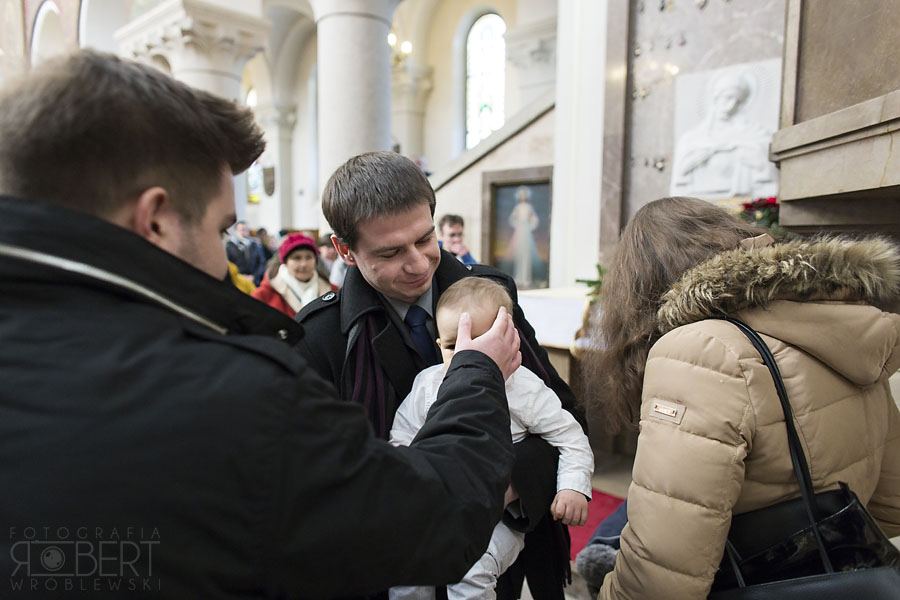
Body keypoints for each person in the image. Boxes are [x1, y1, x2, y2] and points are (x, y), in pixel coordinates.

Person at [0, 49, 525, 598]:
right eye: (222, 229)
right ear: (155, 218)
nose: (223, 258)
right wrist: (475, 373)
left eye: (425, 239)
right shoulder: (233, 392)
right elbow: (430, 522)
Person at [296, 151, 585, 600]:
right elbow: (316, 485)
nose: (417, 264)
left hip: (497, 547)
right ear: (345, 251)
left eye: (425, 238)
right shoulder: (321, 338)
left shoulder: (491, 295)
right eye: (390, 252)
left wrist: (498, 486)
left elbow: (564, 417)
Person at [586, 197, 900, 599]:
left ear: (642, 288)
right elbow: (890, 506)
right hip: (839, 567)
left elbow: (663, 568)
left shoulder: (700, 349)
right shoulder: (849, 326)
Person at [389, 278, 594, 600]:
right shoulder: (428, 384)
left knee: (471, 569)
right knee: (406, 564)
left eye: (483, 343)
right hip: (437, 506)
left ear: (510, 339)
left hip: (499, 517)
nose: (466, 356)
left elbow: (570, 437)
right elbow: (402, 435)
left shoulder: (524, 388)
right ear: (438, 342)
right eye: (453, 345)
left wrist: (572, 486)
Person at [669, 70, 777, 199]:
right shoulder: (691, 138)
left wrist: (737, 148)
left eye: (737, 102)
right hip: (700, 200)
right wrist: (709, 151)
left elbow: (765, 164)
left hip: (743, 199)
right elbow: (681, 173)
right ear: (716, 98)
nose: (730, 106)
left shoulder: (754, 132)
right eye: (727, 98)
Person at [251, 232, 334, 318]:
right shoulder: (263, 296)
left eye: (309, 257)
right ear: (285, 262)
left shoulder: (331, 290)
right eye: (296, 258)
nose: (303, 264)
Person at [505, 186, 542, 288]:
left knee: (526, 255)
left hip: (526, 232)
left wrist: (530, 219)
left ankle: (526, 278)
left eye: (524, 194)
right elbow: (512, 219)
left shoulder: (528, 207)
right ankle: (519, 277)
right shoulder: (517, 207)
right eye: (521, 194)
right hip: (519, 231)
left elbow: (534, 218)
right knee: (519, 254)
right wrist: (516, 219)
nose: (523, 196)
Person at [225, 220, 267, 285]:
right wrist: (241, 277)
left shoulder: (255, 245)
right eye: (242, 229)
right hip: (237, 281)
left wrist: (254, 276)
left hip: (254, 280)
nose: (244, 231)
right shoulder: (230, 245)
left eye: (246, 229)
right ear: (236, 231)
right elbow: (229, 264)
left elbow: (262, 262)